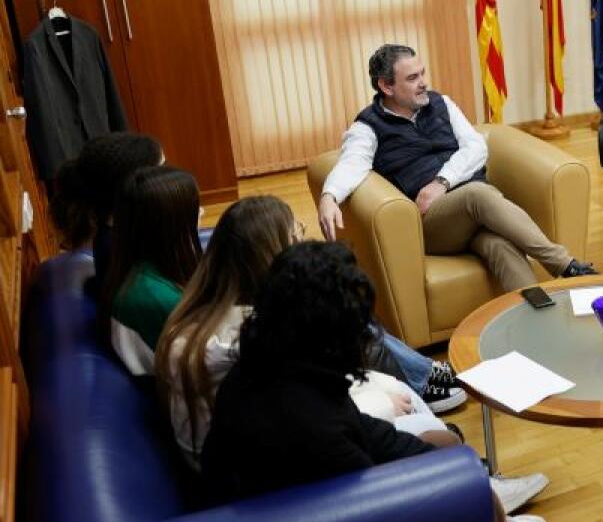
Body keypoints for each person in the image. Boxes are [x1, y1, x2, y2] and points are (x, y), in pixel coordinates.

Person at [202, 241, 547, 522]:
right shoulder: (308, 421)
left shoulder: (276, 363)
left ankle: (486, 514)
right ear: (330, 331)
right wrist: (457, 480)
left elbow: (358, 427)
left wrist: (433, 453)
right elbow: (373, 506)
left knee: (449, 446)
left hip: (311, 493)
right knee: (463, 475)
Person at [156, 196, 474, 463]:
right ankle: (433, 388)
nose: (304, 243)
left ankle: (430, 382)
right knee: (416, 409)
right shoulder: (251, 339)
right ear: (275, 258)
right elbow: (306, 418)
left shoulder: (203, 317)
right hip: (284, 467)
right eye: (297, 235)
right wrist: (382, 402)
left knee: (393, 379)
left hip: (272, 450)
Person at [317, 44, 595, 290]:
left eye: (422, 73)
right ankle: (564, 264)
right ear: (386, 87)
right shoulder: (368, 127)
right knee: (478, 194)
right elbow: (351, 164)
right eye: (412, 78)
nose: (423, 83)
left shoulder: (441, 103)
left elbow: (476, 147)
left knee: (501, 246)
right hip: (433, 224)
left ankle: (536, 327)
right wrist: (330, 196)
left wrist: (441, 182)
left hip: (474, 213)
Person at [105, 165, 202, 376]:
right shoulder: (152, 296)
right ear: (170, 225)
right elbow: (202, 362)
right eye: (195, 211)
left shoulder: (141, 263)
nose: (200, 215)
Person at [49, 131, 163, 287]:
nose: (171, 178)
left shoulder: (123, 231)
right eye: (162, 172)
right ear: (131, 189)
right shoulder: (119, 250)